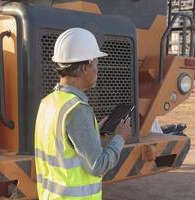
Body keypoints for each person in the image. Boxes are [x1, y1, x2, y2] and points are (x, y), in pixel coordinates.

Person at [34, 28, 132, 199]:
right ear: (86, 67)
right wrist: (120, 138)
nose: (97, 70)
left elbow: (63, 147)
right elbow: (98, 166)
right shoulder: (77, 110)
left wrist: (93, 133)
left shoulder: (48, 102)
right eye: (96, 64)